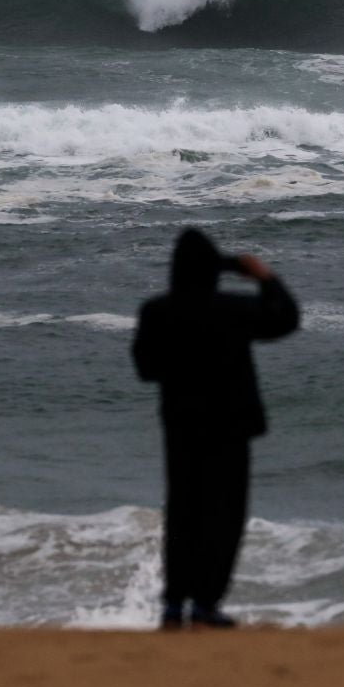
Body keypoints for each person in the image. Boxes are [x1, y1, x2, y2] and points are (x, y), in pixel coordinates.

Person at [131, 228, 301, 630]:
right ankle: (205, 604)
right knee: (223, 516)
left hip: (181, 428)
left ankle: (173, 604)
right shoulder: (231, 309)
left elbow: (145, 369)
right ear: (215, 269)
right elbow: (286, 319)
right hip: (230, 427)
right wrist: (265, 277)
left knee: (183, 514)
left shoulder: (157, 311)